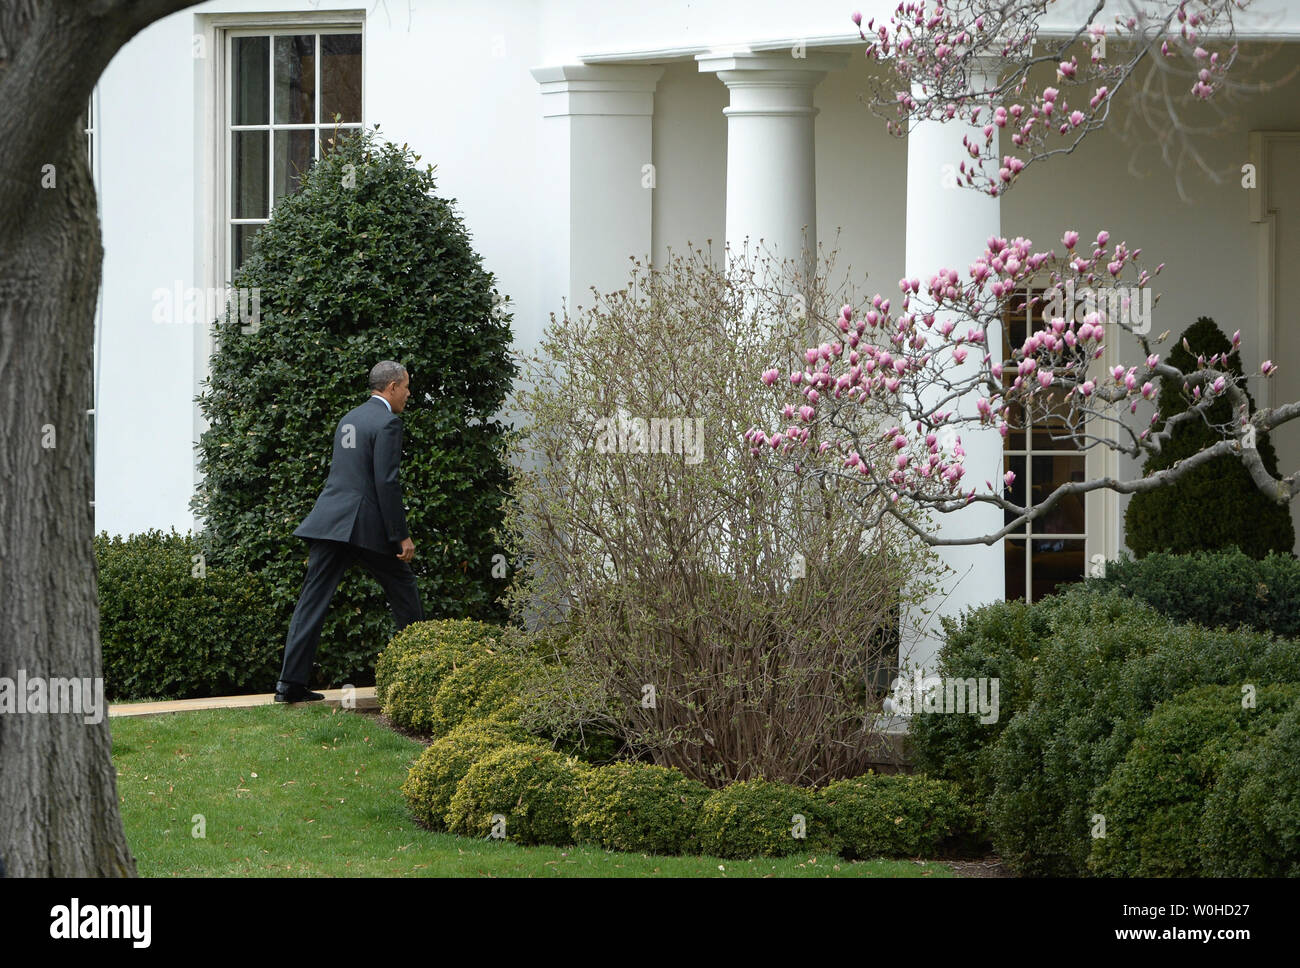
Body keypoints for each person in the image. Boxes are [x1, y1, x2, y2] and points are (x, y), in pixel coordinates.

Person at [274, 361, 425, 703]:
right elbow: (386, 483)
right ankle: (418, 673)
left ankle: (288, 686)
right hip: (362, 526)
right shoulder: (388, 422)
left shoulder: (349, 419)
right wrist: (400, 535)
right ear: (390, 388)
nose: (408, 393)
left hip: (329, 522)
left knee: (312, 600)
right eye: (405, 386)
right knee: (403, 586)